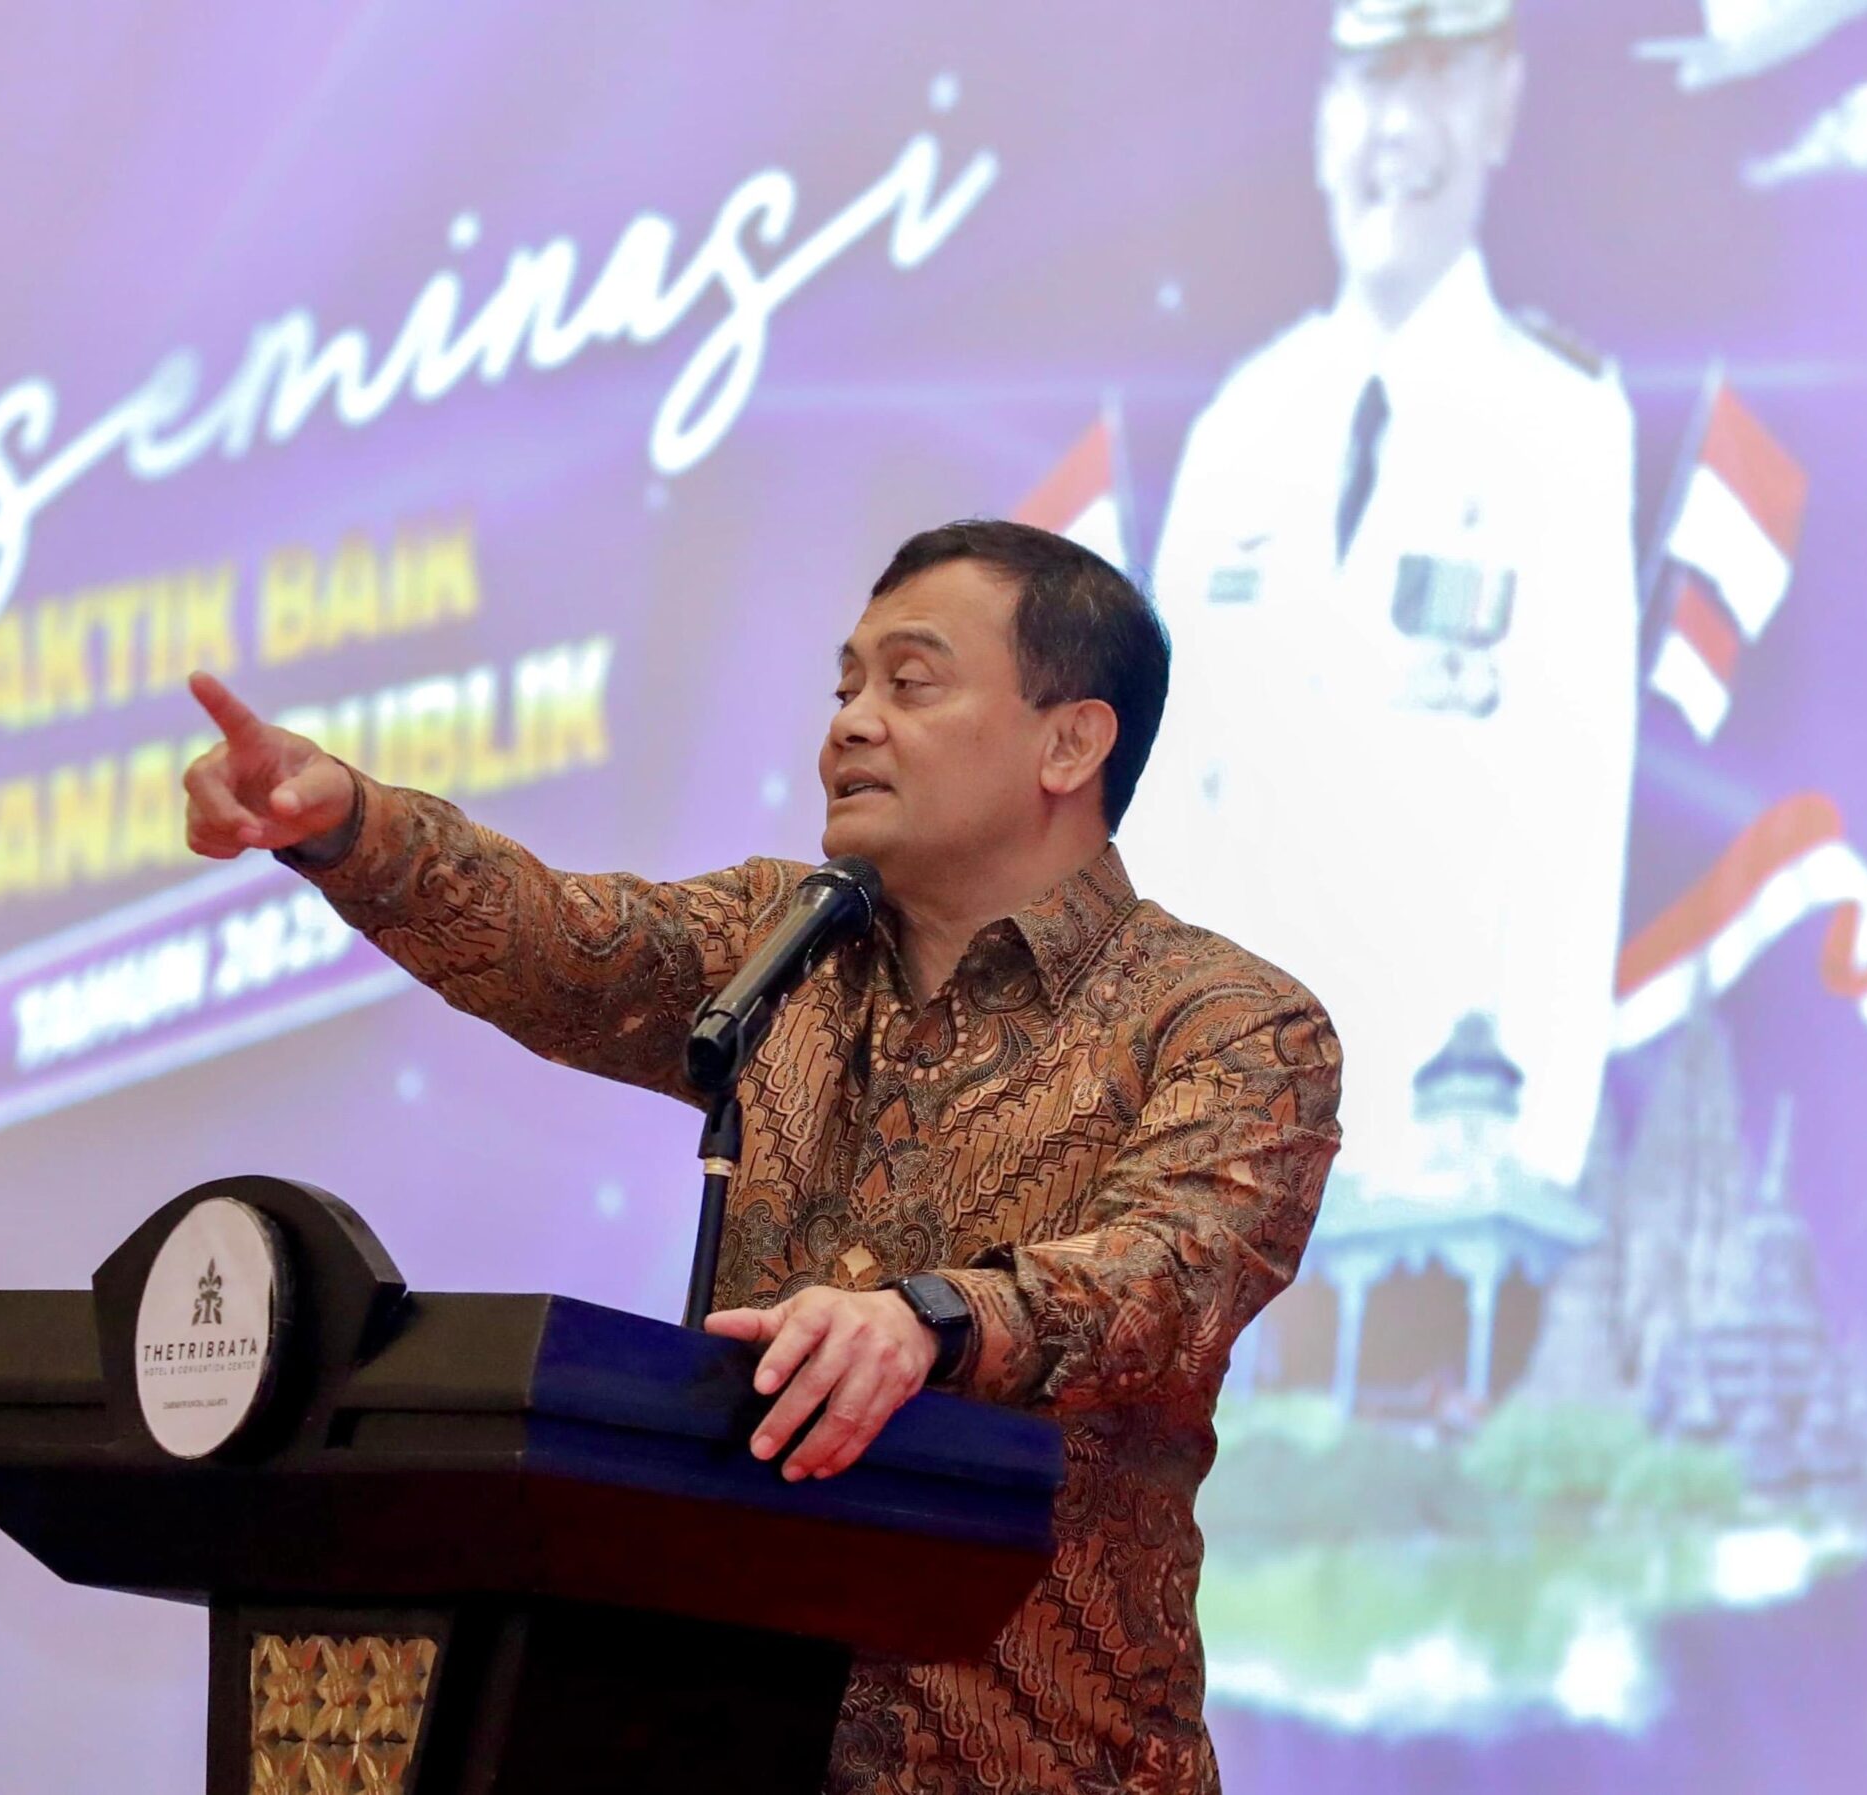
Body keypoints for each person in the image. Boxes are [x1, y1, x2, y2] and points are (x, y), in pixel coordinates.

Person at [182, 520, 1341, 1795]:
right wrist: (352, 826)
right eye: (844, 688)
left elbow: (1166, 1273)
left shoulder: (1227, 1020)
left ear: (1070, 742)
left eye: (910, 682)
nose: (851, 724)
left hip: (1040, 1758)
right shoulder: (780, 943)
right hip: (715, 1736)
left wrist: (928, 1321)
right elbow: (566, 947)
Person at [1127, 0, 1638, 1193]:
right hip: (1206, 1143)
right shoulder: (1238, 425)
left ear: (1501, 104)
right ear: (1321, 122)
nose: (1397, 128)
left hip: (1435, 1152)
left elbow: (1575, 835)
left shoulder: (1565, 423)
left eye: (1437, 78)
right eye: (1369, 82)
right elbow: (1162, 814)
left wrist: (1531, 1173)